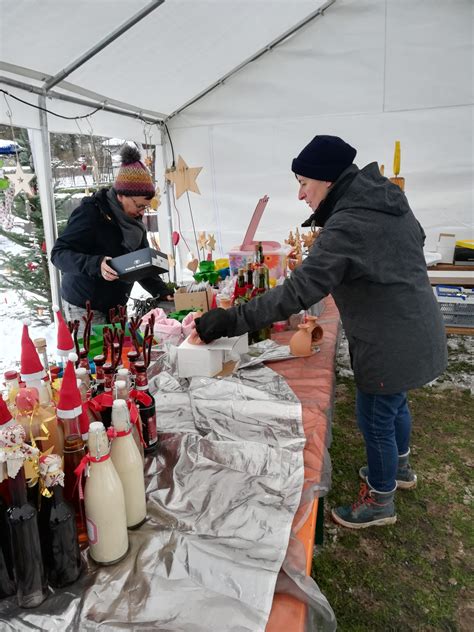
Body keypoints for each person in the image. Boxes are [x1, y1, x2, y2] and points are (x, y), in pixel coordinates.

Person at [191, 134, 447, 529]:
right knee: (395, 403)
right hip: (414, 325)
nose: (299, 195)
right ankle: (399, 470)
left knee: (375, 414)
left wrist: (231, 319)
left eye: (303, 183)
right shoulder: (384, 200)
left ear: (327, 181)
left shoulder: (348, 223)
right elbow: (416, 241)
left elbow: (298, 291)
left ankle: (381, 500)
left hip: (389, 337)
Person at [51, 145, 173, 326]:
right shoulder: (91, 213)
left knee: (119, 352)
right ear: (121, 195)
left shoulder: (134, 224)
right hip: (85, 305)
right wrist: (96, 264)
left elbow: (139, 263)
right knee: (98, 353)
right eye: (139, 206)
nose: (142, 213)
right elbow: (58, 254)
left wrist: (162, 291)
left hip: (116, 304)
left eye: (145, 208)